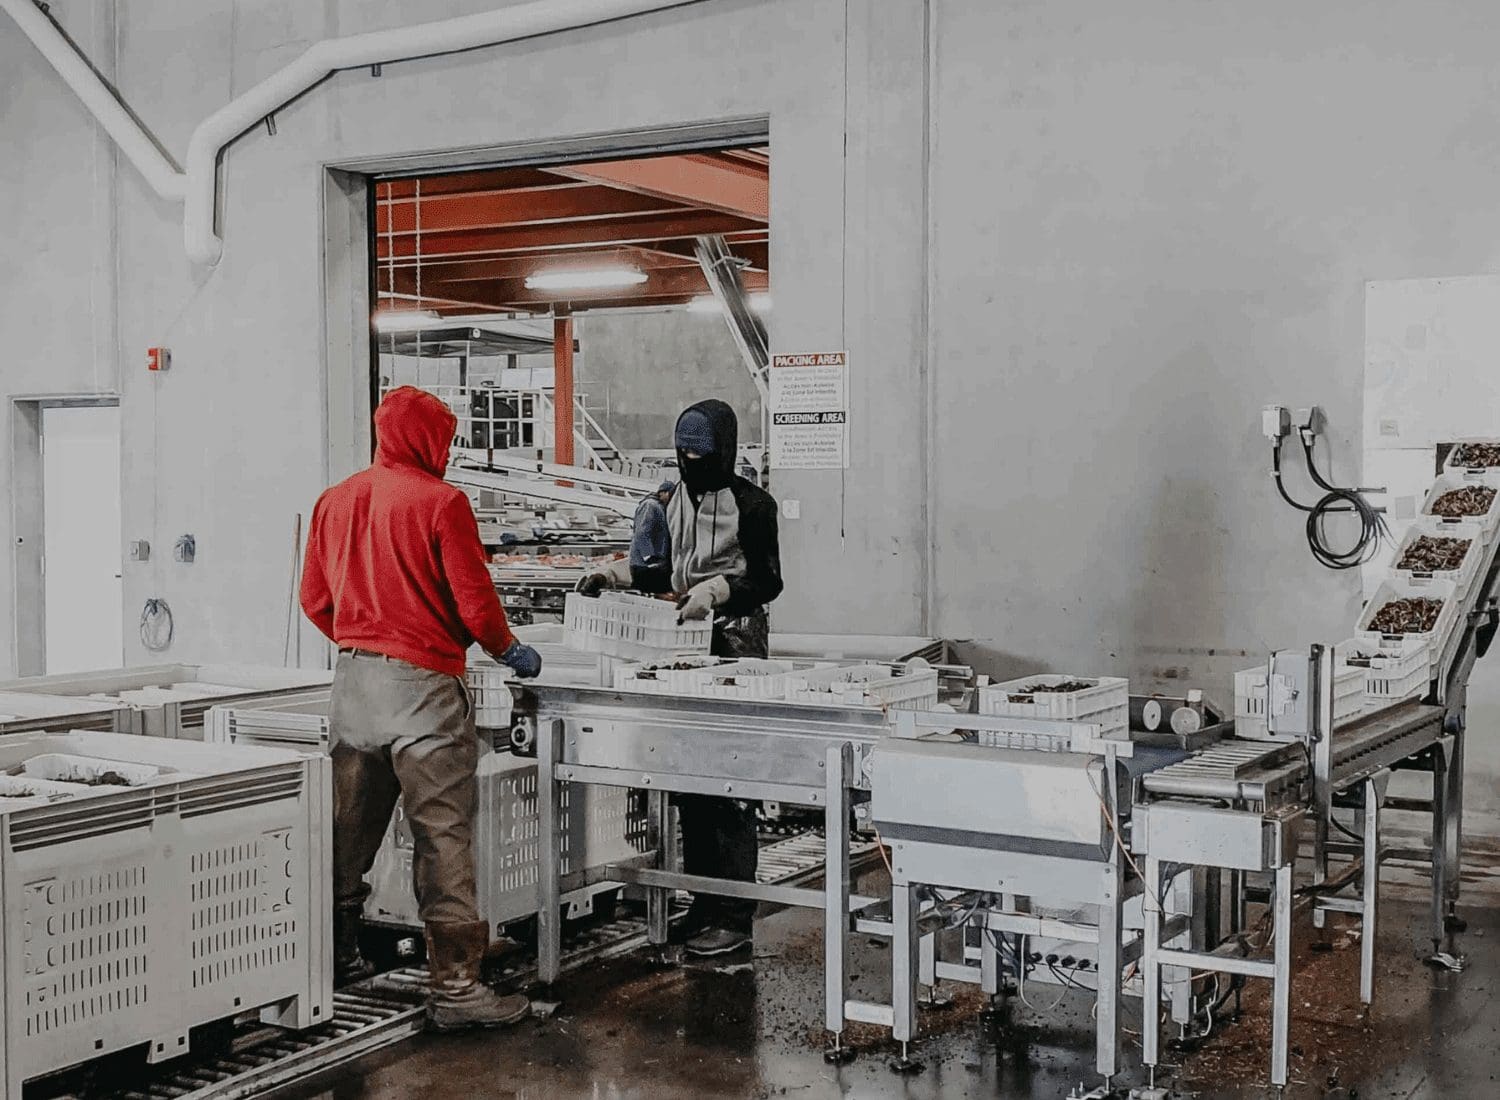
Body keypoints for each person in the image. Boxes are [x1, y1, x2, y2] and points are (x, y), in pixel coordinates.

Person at [300, 385, 543, 1030]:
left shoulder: (334, 499)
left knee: (347, 833)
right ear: (431, 439)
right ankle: (457, 988)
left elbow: (313, 599)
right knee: (442, 836)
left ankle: (336, 961)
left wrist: (366, 640)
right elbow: (476, 604)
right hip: (423, 695)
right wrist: (509, 649)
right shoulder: (443, 503)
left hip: (352, 689)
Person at [578, 399, 783, 956]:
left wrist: (716, 592)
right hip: (677, 647)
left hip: (735, 647)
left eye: (702, 454)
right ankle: (703, 901)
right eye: (684, 453)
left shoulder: (754, 505)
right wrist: (608, 573)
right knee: (691, 783)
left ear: (724, 451)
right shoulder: (665, 500)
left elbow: (767, 582)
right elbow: (655, 569)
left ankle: (735, 915)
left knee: (731, 784)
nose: (692, 462)